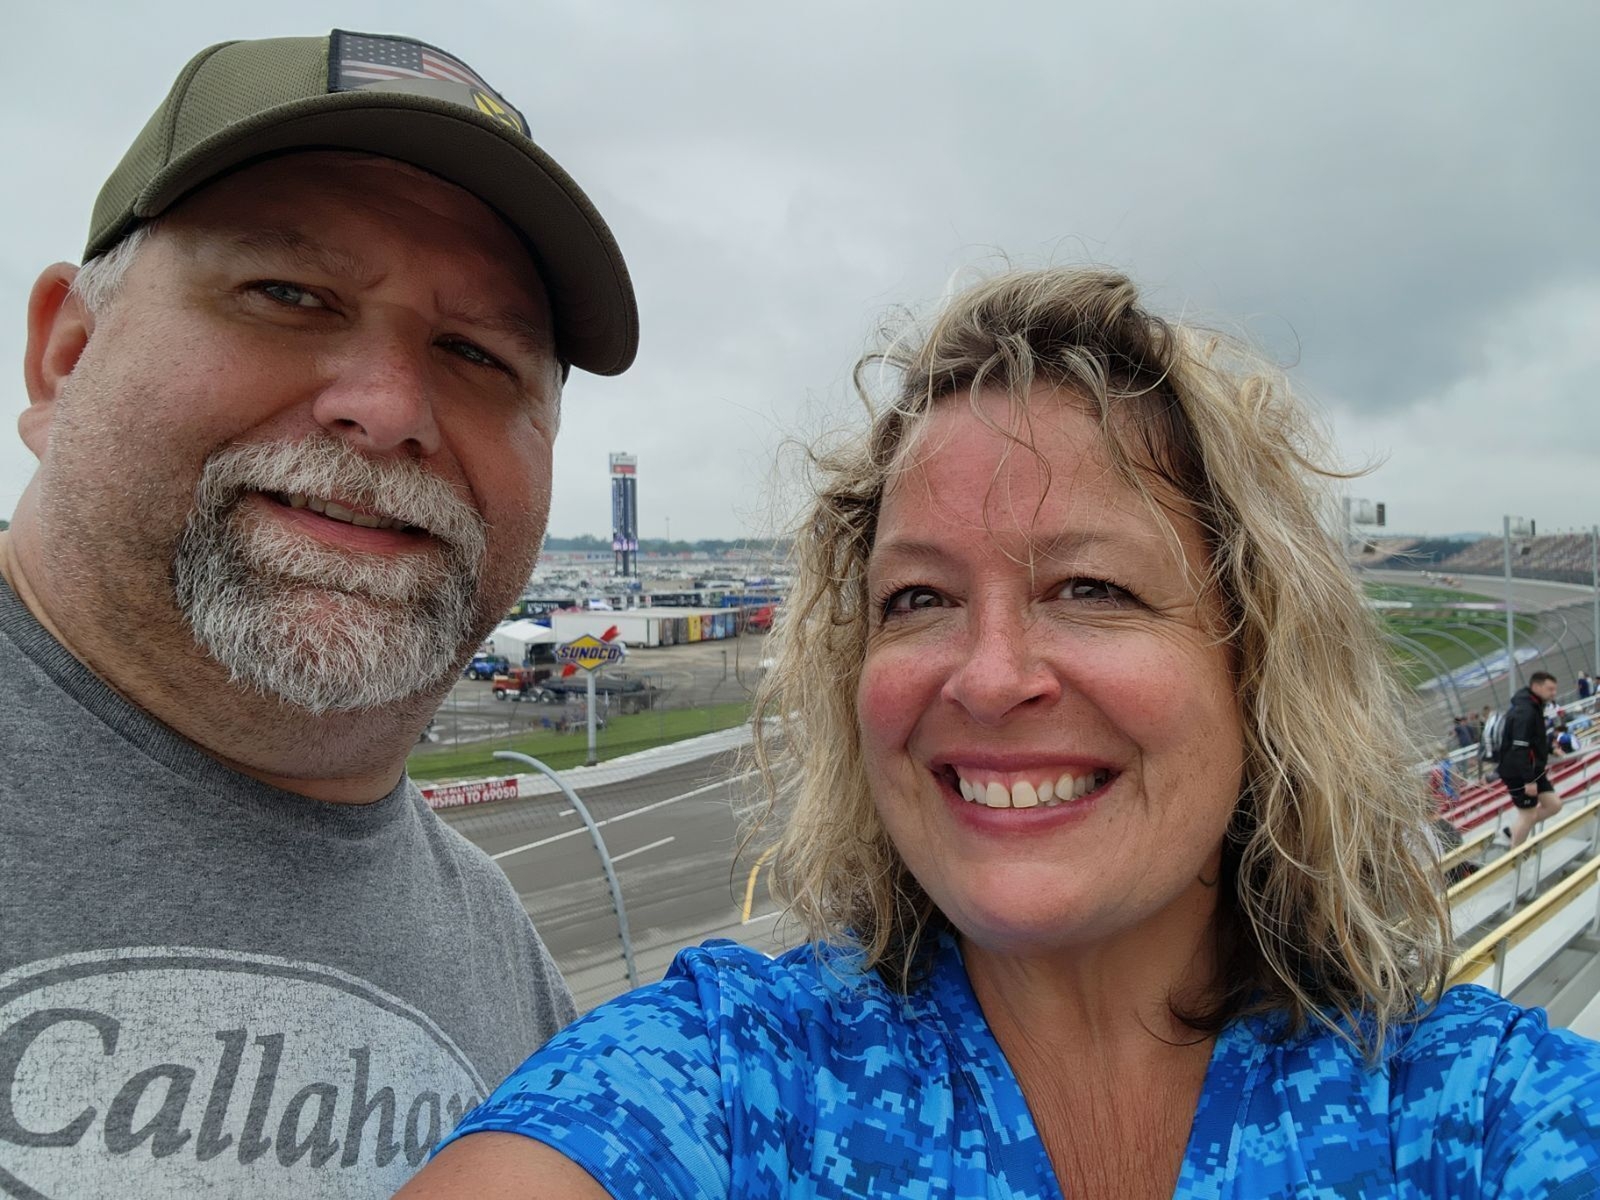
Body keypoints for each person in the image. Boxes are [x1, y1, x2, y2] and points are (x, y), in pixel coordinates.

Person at [397, 268, 1600, 1198]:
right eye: (918, 598)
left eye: (1091, 588)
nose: (987, 676)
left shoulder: (1469, 1113)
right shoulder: (731, 1077)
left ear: (1255, 664)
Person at [0, 30, 636, 1198]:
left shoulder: (513, 979)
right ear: (66, 355)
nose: (388, 409)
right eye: (288, 294)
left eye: (476, 353)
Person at [1498, 671, 1562, 848]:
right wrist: (1528, 780)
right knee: (1528, 815)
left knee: (1554, 805)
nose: (1554, 693)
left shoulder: (1534, 705)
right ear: (1536, 687)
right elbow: (1519, 747)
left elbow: (1534, 738)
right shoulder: (1525, 710)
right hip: (1519, 772)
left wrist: (1550, 749)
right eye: (1550, 689)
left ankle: (1514, 830)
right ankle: (1515, 856)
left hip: (1534, 770)